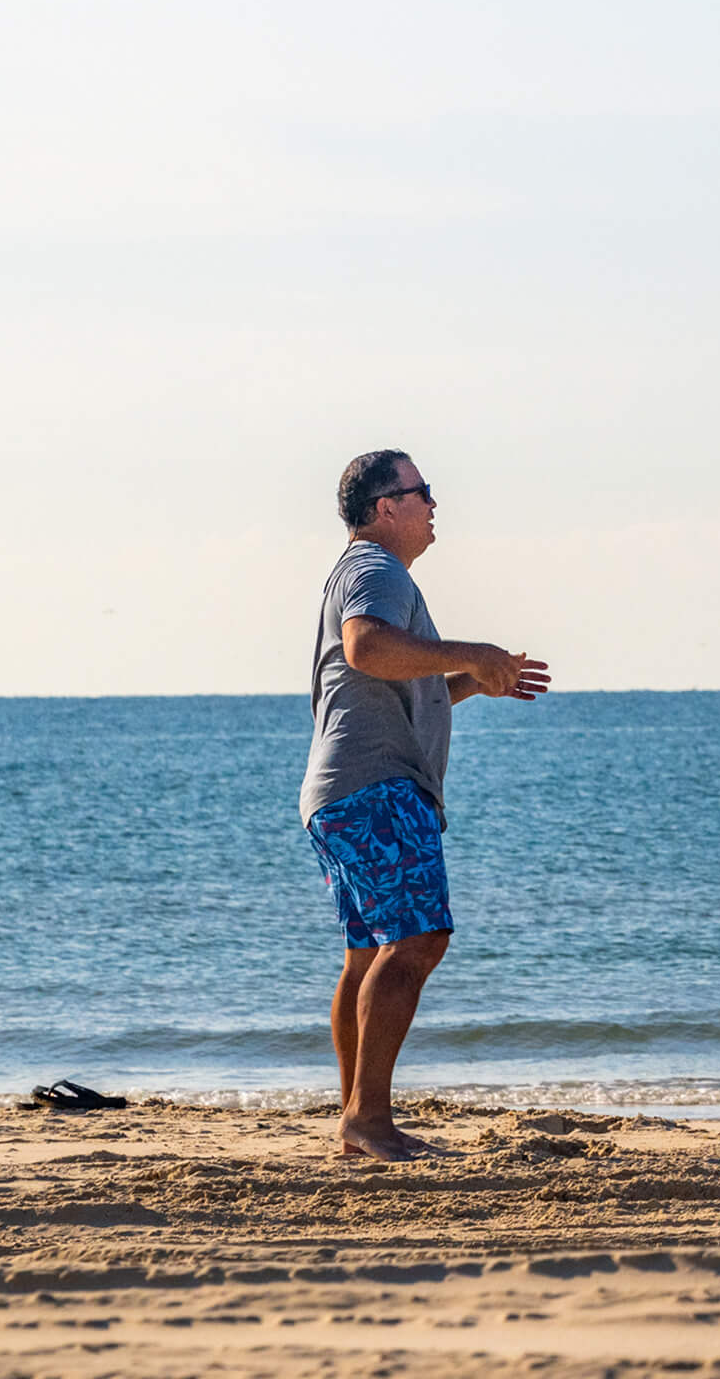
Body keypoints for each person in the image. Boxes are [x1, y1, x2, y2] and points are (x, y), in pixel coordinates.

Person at [303, 450, 549, 1161]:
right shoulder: (374, 569)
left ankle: (358, 1119)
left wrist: (473, 679)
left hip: (341, 790)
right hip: (376, 786)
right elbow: (367, 649)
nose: (435, 505)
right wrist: (471, 647)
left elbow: (399, 681)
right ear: (387, 508)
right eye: (422, 492)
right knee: (416, 942)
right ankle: (369, 1120)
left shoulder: (370, 574)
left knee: (367, 955)